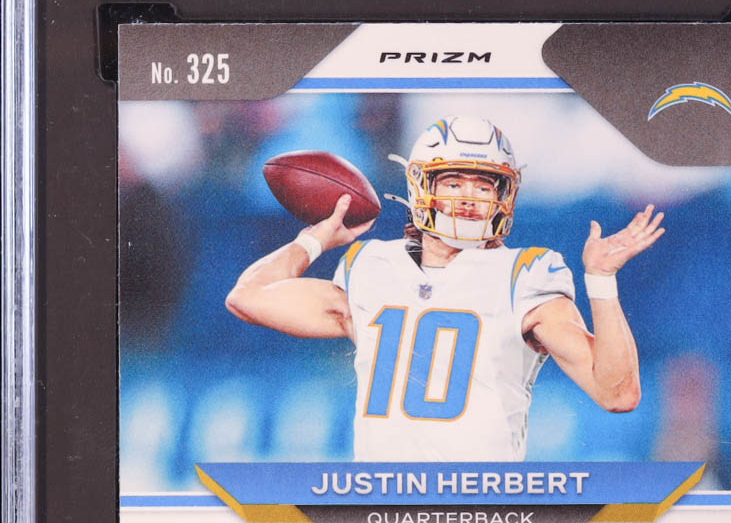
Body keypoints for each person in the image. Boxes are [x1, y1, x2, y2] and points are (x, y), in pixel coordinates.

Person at [226, 116, 664, 460]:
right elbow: (247, 296)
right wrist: (316, 238)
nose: (468, 198)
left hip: (479, 510)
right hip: (383, 509)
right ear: (421, 187)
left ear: (504, 195)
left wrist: (601, 281)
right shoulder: (372, 265)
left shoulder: (525, 274)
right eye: (453, 183)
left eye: (483, 185)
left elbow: (617, 393)